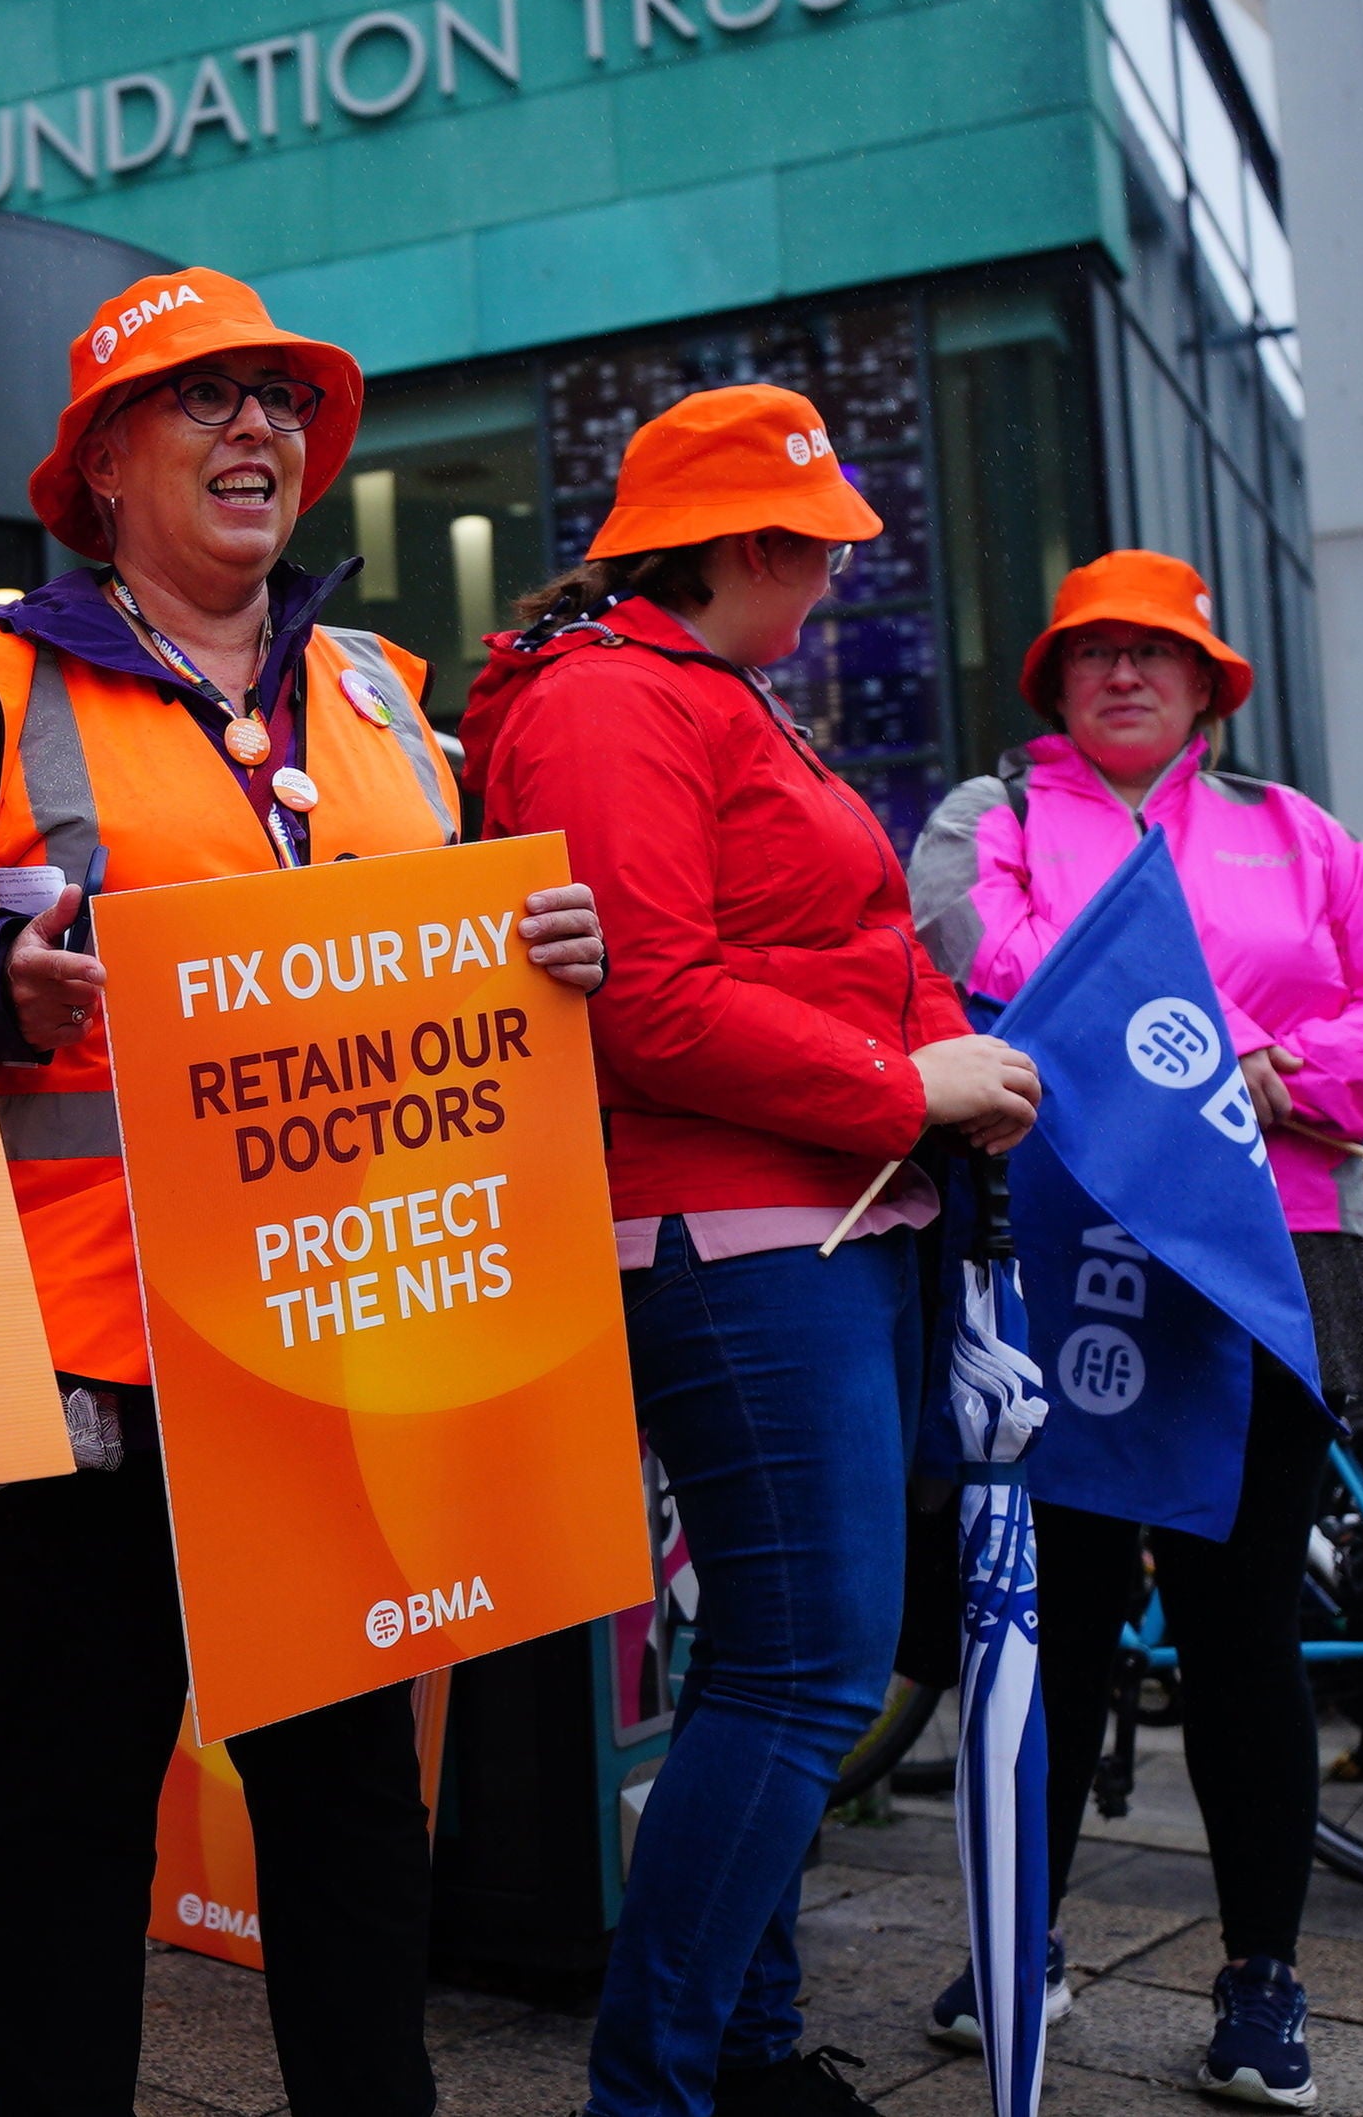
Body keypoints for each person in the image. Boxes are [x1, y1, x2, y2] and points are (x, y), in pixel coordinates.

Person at [0, 266, 604, 2117]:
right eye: (205, 398)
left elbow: (446, 966)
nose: (260, 431)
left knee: (354, 1790)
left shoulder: (376, 687)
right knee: (68, 1795)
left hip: (341, 1334)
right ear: (103, 465)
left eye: (282, 400)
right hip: (88, 1350)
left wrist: (549, 940)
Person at [458, 386, 1042, 2117]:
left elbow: (844, 937)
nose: (841, 579)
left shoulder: (692, 692)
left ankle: (745, 2052)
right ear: (749, 543)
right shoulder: (613, 700)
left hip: (813, 1213)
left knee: (776, 1663)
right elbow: (651, 997)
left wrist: (954, 1070)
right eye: (824, 547)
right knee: (806, 1668)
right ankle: (662, 2086)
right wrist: (904, 1079)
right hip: (735, 1227)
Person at [905, 550, 1363, 2111]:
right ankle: (1028, 1939)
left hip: (1272, 1252)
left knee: (1242, 1629)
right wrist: (1190, 1049)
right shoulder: (988, 816)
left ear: (1212, 680)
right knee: (1052, 1616)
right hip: (1068, 1245)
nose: (1127, 675)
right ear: (1055, 682)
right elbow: (981, 964)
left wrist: (1293, 1071)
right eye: (1096, 655)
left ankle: (1262, 1979)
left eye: (1160, 653)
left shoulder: (1305, 832)